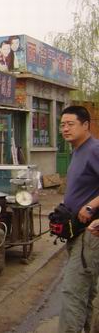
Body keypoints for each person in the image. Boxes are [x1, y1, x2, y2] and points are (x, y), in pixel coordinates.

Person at [57, 105, 99, 333]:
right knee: (86, 292)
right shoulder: (77, 151)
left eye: (70, 124)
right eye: (62, 124)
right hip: (77, 232)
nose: (65, 129)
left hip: (89, 234)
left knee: (72, 292)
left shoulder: (94, 149)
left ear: (85, 125)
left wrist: (92, 206)